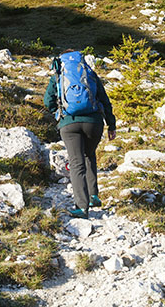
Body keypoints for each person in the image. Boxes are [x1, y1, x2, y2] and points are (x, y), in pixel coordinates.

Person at [44, 50, 116, 219]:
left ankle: (81, 207)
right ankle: (94, 197)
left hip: (69, 124)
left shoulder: (58, 75)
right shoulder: (89, 73)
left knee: (77, 164)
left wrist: (59, 113)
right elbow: (105, 100)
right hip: (94, 123)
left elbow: (48, 101)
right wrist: (111, 125)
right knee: (89, 154)